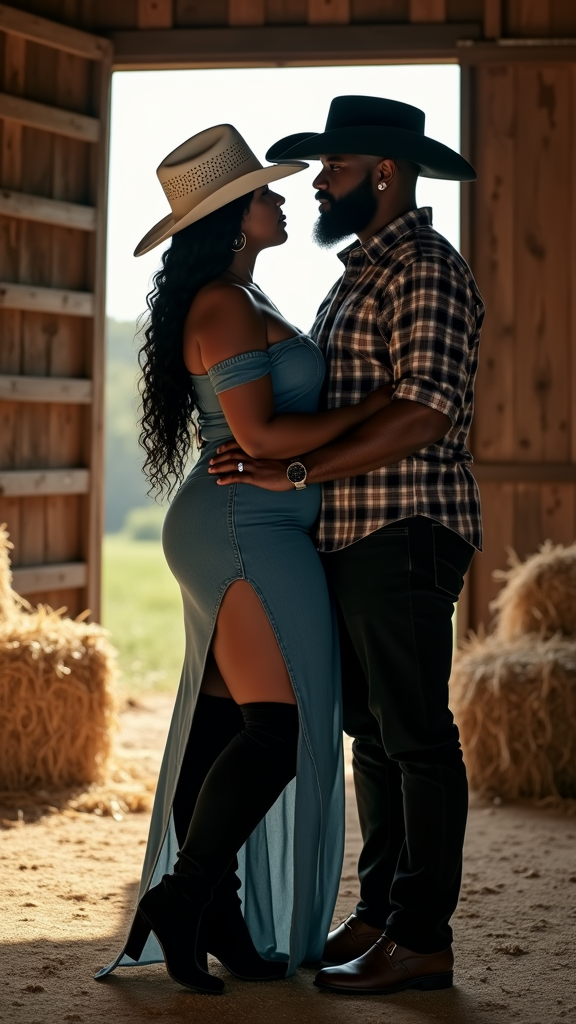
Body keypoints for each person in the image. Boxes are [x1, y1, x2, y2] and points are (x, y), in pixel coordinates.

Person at [95, 124, 392, 993]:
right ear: (231, 218)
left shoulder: (242, 296)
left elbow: (260, 431)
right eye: (265, 193)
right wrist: (375, 408)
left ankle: (208, 909)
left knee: (228, 723)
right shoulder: (225, 305)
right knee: (279, 726)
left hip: (249, 521)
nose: (282, 197)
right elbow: (259, 435)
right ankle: (186, 898)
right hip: (242, 528)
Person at [210, 96, 485, 996]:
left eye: (333, 165)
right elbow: (336, 406)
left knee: (414, 734)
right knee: (372, 731)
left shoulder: (426, 270)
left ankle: (422, 937)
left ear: (383, 172)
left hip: (406, 526)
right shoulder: (361, 272)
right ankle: (379, 914)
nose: (318, 181)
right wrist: (258, 445)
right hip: (355, 530)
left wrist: (295, 476)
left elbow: (425, 409)